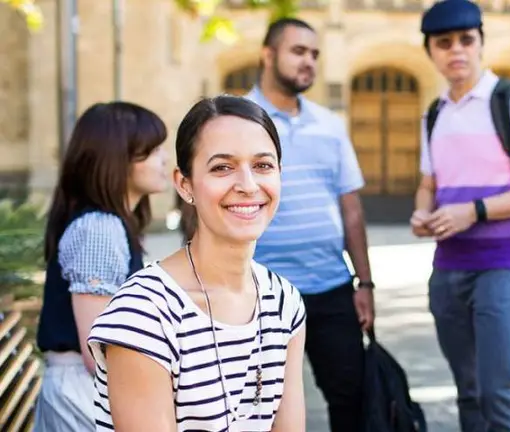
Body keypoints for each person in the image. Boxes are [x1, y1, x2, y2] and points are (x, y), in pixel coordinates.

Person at [86, 96, 307, 431]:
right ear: (184, 184)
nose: (248, 185)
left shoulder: (284, 301)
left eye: (263, 165)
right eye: (222, 167)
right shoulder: (144, 313)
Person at [412, 1, 510, 431]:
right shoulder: (433, 113)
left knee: (499, 392)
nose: (456, 50)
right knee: (468, 392)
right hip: (447, 268)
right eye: (444, 42)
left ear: (481, 44)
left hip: (502, 266)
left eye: (466, 40)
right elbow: (428, 185)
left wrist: (474, 211)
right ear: (430, 51)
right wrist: (420, 214)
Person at [244, 18, 375, 432]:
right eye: (298, 51)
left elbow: (351, 209)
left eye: (315, 54)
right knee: (261, 408)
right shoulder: (238, 121)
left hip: (331, 288)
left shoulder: (330, 125)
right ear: (268, 55)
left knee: (350, 398)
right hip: (259, 294)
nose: (309, 62)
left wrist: (365, 284)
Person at [34, 102, 169, 431]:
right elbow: (99, 352)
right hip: (84, 396)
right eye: (152, 151)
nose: (164, 159)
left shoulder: (112, 224)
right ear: (119, 160)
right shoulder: (99, 229)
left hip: (94, 392)